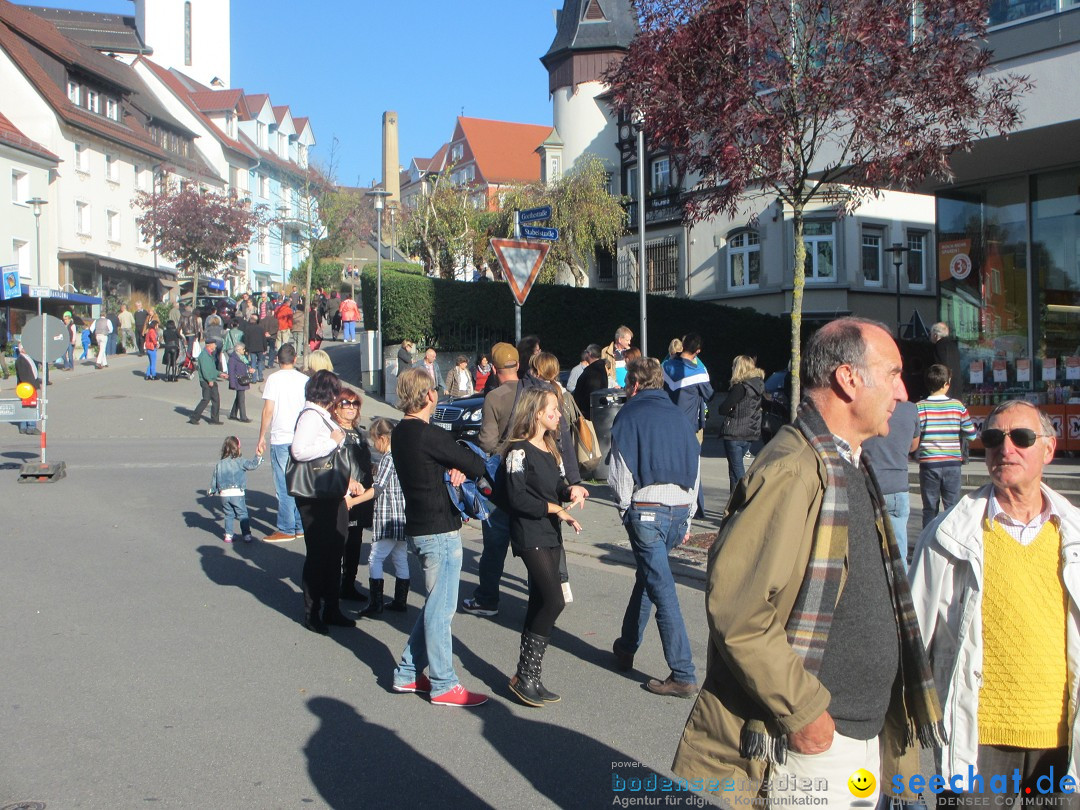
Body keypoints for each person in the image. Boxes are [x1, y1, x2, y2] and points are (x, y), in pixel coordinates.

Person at [670, 317, 944, 807]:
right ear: (848, 378)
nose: (903, 390)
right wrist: (806, 713)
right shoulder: (796, 469)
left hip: (859, 730)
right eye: (894, 373)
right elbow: (738, 610)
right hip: (819, 742)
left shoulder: (845, 460)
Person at [910, 400, 1080, 806]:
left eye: (1021, 438)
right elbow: (913, 634)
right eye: (992, 438)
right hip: (978, 739)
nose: (1005, 449)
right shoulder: (949, 535)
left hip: (1061, 741)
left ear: (1049, 450)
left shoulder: (1073, 533)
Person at [390, 368, 489, 707]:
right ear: (429, 395)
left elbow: (433, 465)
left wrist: (448, 468)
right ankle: (444, 682)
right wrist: (456, 466)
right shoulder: (428, 433)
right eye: (433, 389)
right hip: (439, 530)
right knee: (441, 609)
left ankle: (407, 672)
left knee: (435, 604)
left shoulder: (400, 431)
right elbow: (475, 463)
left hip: (419, 526)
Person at [609, 357, 701, 698]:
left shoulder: (629, 415)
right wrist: (688, 517)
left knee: (663, 590)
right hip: (679, 510)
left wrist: (626, 512)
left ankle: (683, 672)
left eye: (625, 384)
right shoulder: (681, 417)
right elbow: (696, 469)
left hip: (647, 509)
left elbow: (619, 477)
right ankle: (626, 646)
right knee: (649, 578)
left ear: (633, 385)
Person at [498, 388, 588, 707]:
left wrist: (571, 491)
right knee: (553, 600)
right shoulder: (517, 451)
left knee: (541, 600)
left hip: (550, 534)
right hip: (529, 533)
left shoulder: (551, 448)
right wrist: (555, 510)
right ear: (537, 413)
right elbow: (516, 497)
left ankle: (529, 677)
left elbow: (556, 488)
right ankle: (525, 675)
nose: (559, 414)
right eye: (553, 409)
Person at [290, 370, 365, 635]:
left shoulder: (320, 415)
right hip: (314, 494)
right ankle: (313, 612)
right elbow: (298, 450)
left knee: (335, 549)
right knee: (320, 553)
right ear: (327, 392)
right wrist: (331, 443)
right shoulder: (311, 416)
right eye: (335, 391)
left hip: (328, 492)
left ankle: (331, 608)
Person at [462, 342, 521, 617]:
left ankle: (487, 598)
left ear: (495, 370)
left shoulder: (494, 397)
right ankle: (541, 600)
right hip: (532, 475)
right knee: (533, 540)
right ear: (518, 365)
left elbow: (486, 441)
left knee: (495, 540)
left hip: (501, 475)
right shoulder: (534, 391)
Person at [256, 344, 309, 542]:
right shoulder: (305, 380)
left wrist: (262, 436)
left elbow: (267, 410)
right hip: (300, 437)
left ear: (278, 360)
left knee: (283, 483)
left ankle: (286, 528)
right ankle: (299, 524)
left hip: (281, 436)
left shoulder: (274, 379)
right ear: (295, 359)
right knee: (298, 483)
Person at [360, 418, 409, 618]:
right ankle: (400, 601)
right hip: (403, 517)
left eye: (374, 441)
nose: (374, 445)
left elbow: (378, 488)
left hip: (389, 516)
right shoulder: (403, 455)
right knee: (400, 558)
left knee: (376, 558)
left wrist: (354, 502)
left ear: (382, 438)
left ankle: (376, 603)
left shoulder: (389, 458)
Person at [916, 363, 977, 527]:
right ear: (946, 384)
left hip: (929, 464)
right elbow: (971, 434)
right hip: (952, 463)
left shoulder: (920, 407)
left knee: (929, 508)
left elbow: (915, 434)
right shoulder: (957, 406)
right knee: (953, 507)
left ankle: (927, 540)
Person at [862, 399, 920, 566]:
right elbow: (913, 445)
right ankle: (899, 588)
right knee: (898, 551)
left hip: (869, 484)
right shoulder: (910, 409)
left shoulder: (867, 403)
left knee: (867, 550)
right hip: (897, 486)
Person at [334, 389, 374, 605]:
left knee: (355, 542)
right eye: (345, 403)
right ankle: (331, 586)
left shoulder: (360, 432)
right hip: (342, 493)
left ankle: (348, 584)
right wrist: (348, 484)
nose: (350, 407)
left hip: (361, 496)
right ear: (336, 407)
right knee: (338, 541)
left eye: (354, 403)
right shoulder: (333, 431)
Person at [717, 355, 766, 491]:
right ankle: (733, 506)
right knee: (733, 471)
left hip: (734, 433)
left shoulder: (740, 387)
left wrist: (730, 409)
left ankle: (747, 499)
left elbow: (723, 408)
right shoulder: (758, 386)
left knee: (738, 473)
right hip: (749, 432)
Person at [208, 435, 263, 543]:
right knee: (242, 514)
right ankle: (246, 535)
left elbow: (215, 477)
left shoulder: (220, 463)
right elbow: (252, 465)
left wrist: (212, 490)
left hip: (224, 494)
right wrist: (258, 456)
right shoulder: (240, 461)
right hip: (237, 493)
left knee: (229, 514)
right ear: (237, 448)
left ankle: (228, 535)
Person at [662, 333, 714, 442]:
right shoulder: (699, 373)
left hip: (667, 421)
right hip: (689, 424)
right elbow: (709, 395)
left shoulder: (665, 367)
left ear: (683, 345)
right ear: (698, 351)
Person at [189, 335, 223, 425]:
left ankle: (214, 419)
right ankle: (194, 417)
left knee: (216, 399)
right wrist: (209, 380)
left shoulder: (209, 355)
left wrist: (220, 374)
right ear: (209, 345)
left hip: (211, 379)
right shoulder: (204, 355)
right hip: (206, 381)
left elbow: (212, 369)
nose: (215, 346)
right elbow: (204, 369)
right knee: (206, 399)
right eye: (214, 344)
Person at [572, 344, 607, 420]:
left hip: (589, 413)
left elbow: (590, 391)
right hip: (597, 411)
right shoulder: (600, 368)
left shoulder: (592, 371)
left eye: (586, 352)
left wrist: (582, 410)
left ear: (589, 353)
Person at [930, 321, 963, 399]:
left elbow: (939, 368)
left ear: (935, 335)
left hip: (944, 388)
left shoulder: (938, 346)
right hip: (956, 386)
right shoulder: (953, 345)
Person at [14, 341, 39, 435]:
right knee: (30, 406)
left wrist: (37, 380)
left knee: (26, 406)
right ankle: (31, 427)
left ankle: (24, 426)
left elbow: (31, 372)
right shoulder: (21, 360)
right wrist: (31, 386)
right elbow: (24, 376)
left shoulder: (26, 358)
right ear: (22, 349)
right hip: (27, 388)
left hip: (29, 386)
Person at [227, 342, 252, 423]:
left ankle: (233, 414)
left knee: (238, 398)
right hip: (238, 381)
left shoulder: (242, 357)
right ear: (238, 350)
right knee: (241, 399)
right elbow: (231, 371)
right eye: (242, 349)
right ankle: (243, 417)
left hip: (242, 380)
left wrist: (249, 369)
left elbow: (245, 366)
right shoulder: (233, 359)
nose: (244, 350)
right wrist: (232, 383)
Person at [241, 314, 267, 383]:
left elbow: (246, 340)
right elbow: (264, 339)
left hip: (251, 348)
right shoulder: (261, 328)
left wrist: (246, 349)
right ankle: (260, 377)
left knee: (253, 363)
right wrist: (265, 348)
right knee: (260, 361)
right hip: (260, 348)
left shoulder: (247, 329)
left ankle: (254, 378)